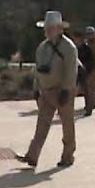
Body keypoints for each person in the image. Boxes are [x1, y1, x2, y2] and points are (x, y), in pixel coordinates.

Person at [17, 11, 78, 169]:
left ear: (59, 29)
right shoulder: (42, 48)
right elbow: (38, 70)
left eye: (50, 28)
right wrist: (36, 89)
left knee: (67, 126)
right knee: (41, 125)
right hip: (46, 91)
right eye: (46, 28)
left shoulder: (68, 48)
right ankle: (32, 155)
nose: (47, 31)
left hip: (63, 91)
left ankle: (68, 155)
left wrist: (66, 89)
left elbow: (71, 71)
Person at [78, 26, 95, 116]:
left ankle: (88, 107)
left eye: (91, 34)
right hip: (86, 67)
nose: (89, 36)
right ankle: (94, 95)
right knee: (85, 87)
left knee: (90, 87)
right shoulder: (86, 44)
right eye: (88, 34)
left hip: (94, 68)